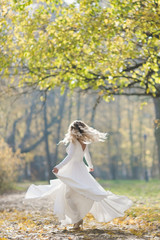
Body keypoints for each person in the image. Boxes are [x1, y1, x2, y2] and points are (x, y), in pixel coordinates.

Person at [25, 120, 133, 229]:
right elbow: (87, 156)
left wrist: (58, 166)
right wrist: (90, 166)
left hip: (73, 170)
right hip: (81, 169)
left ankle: (78, 219)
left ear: (73, 130)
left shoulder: (74, 142)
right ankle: (78, 219)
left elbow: (69, 157)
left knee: (69, 195)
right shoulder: (84, 143)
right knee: (76, 192)